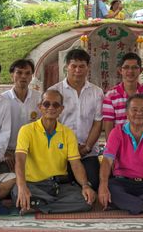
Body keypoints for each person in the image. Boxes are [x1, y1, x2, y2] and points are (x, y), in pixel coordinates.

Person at [12, 90, 95, 214]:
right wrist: (22, 186)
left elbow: (76, 164)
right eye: (46, 104)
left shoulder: (68, 133)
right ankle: (51, 205)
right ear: (40, 107)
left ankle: (38, 206)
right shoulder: (26, 130)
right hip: (33, 185)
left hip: (58, 186)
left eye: (55, 105)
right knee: (16, 191)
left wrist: (85, 186)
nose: (51, 108)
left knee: (86, 200)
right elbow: (19, 161)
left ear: (61, 109)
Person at [48, 49, 103, 189]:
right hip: (61, 149)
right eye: (74, 66)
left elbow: (97, 123)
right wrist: (68, 149)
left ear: (88, 67)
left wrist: (87, 147)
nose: (77, 70)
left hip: (87, 151)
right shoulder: (55, 91)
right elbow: (50, 122)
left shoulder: (96, 92)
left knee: (93, 183)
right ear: (67, 66)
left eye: (82, 66)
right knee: (58, 183)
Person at [1, 59, 41, 172]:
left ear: (31, 76)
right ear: (12, 76)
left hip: (32, 151)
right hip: (9, 153)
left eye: (27, 73)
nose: (23, 76)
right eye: (19, 72)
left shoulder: (39, 98)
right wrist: (4, 152)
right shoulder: (2, 100)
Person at [102, 52, 143, 139]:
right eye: (126, 67)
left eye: (134, 68)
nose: (130, 71)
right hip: (119, 143)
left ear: (141, 70)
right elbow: (108, 124)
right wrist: (112, 148)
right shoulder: (110, 95)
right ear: (120, 70)